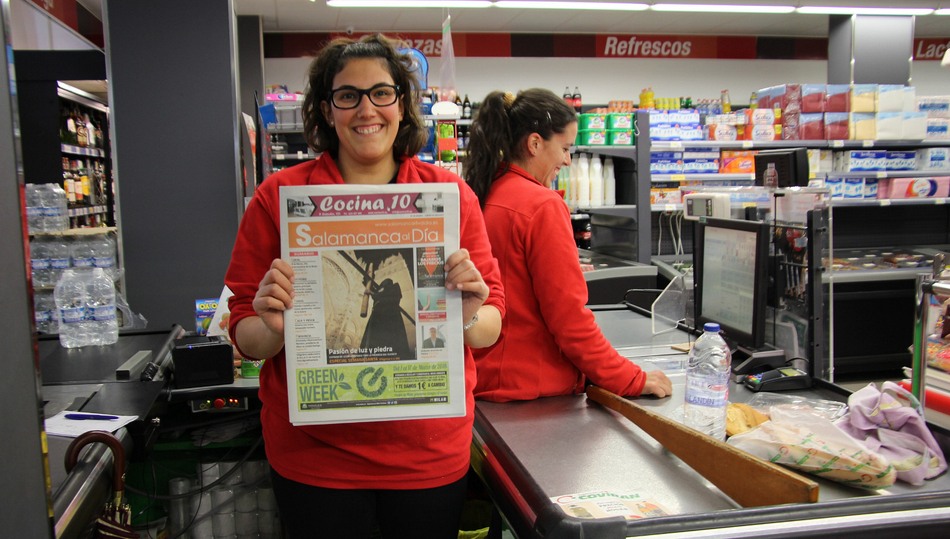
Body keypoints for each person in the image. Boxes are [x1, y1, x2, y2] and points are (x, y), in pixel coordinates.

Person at [224, 33, 504, 539]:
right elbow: (246, 333)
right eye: (346, 96)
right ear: (326, 110)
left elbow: (489, 327)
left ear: (402, 103)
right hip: (316, 459)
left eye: (381, 92)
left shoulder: (447, 196)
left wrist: (467, 309)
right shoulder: (281, 198)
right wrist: (272, 326)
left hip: (426, 454)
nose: (365, 109)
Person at [462, 88, 672, 402]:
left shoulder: (487, 191)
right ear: (534, 143)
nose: (567, 159)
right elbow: (570, 321)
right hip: (529, 388)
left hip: (487, 379)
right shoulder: (541, 206)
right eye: (564, 148)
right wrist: (631, 379)